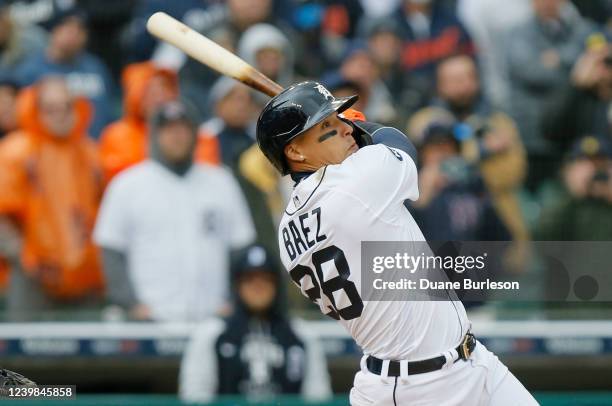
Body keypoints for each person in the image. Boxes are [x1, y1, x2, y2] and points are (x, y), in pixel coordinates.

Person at [256, 81, 537, 405]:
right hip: (419, 388)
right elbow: (400, 143)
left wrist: (340, 127)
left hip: (470, 364)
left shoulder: (287, 227)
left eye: (339, 120)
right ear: (294, 151)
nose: (345, 129)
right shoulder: (356, 182)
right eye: (329, 126)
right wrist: (363, 125)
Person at [94, 101, 255, 321]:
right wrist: (130, 304)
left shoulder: (221, 181)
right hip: (151, 320)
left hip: (212, 318)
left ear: (196, 134)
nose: (176, 136)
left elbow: (241, 248)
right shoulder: (127, 184)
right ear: (154, 135)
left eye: (183, 128)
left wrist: (234, 299)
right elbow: (111, 250)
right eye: (168, 129)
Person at [0, 76, 104, 321]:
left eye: (67, 106)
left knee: (88, 351)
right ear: (36, 110)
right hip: (32, 277)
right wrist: (23, 255)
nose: (60, 115)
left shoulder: (90, 152)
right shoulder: (15, 151)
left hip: (85, 278)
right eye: (51, 109)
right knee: (25, 350)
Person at [179, 244, 332, 403]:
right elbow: (195, 398)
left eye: (265, 279)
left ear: (277, 285)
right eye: (249, 279)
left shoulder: (301, 335)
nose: (258, 287)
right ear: (237, 285)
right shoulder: (212, 333)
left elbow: (318, 398)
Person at [408, 54, 528, 242]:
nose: (464, 85)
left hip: (497, 223)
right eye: (455, 80)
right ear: (440, 85)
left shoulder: (499, 122)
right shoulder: (425, 120)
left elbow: (512, 174)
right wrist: (482, 150)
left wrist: (458, 162)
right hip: (438, 226)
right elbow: (426, 168)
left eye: (469, 77)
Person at [505, 0, 594, 191]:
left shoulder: (578, 27)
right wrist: (577, 74)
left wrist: (558, 58)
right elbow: (532, 71)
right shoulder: (518, 33)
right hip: (534, 137)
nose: (546, 2)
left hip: (572, 133)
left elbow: (596, 54)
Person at [15, 5, 116, 138]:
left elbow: (109, 111)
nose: (74, 34)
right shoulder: (31, 71)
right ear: (53, 30)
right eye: (68, 27)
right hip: (48, 150)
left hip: (94, 150)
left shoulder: (95, 67)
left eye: (81, 29)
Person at [98, 61, 178, 182]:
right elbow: (120, 184)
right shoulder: (117, 136)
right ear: (136, 97)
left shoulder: (188, 132)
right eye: (152, 92)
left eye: (165, 89)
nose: (160, 98)